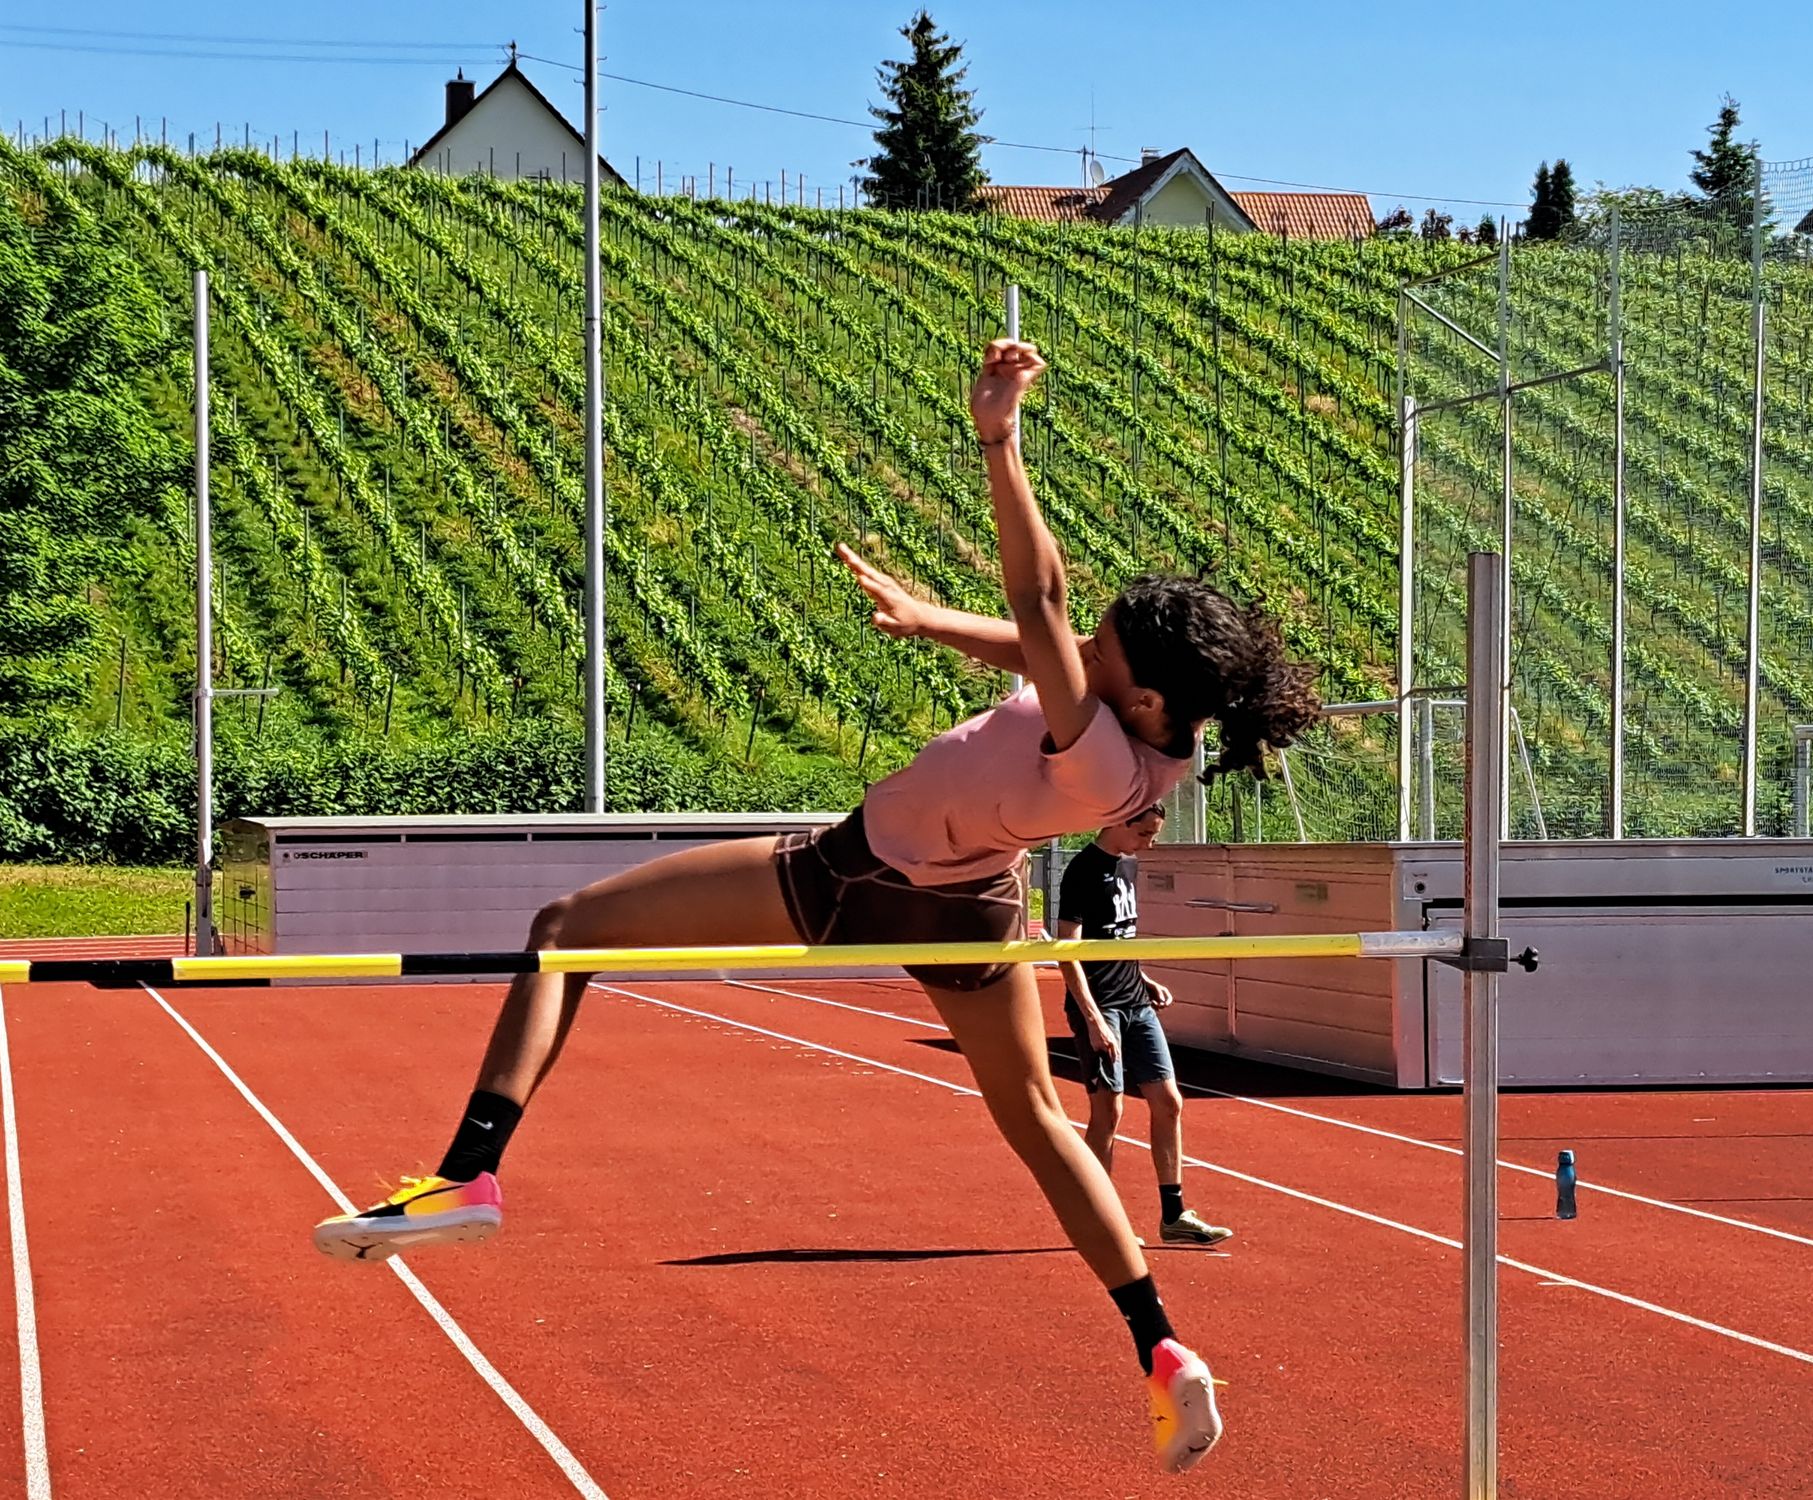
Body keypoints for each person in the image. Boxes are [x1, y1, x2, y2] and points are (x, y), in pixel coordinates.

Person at [312, 339, 1319, 1474]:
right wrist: (928, 620)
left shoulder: (1091, 745)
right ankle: (1161, 1349)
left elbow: (1040, 605)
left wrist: (1001, 440)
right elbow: (1049, 646)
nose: (1082, 651)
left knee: (565, 929)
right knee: (1040, 1126)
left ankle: (469, 1171)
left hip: (852, 880)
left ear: (1140, 694)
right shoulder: (1155, 743)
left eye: (1103, 651)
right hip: (975, 910)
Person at [1058, 805, 1233, 1248]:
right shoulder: (1082, 870)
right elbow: (1068, 951)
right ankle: (1098, 1219)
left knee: (1169, 1102)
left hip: (1135, 1001)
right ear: (1121, 822)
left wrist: (1142, 977)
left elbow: (1117, 938)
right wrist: (1093, 1019)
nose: (1150, 843)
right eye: (1145, 833)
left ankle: (1174, 1215)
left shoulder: (1128, 865)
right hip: (1101, 1006)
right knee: (1108, 1112)